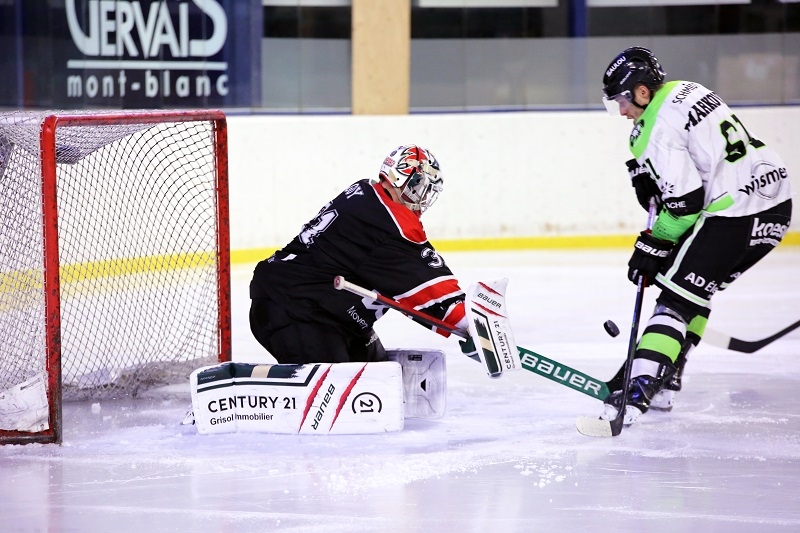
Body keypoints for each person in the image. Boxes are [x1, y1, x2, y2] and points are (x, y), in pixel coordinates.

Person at [600, 47, 793, 425]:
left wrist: (653, 244)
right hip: (776, 206)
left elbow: (685, 203)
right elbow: (701, 166)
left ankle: (639, 391)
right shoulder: (687, 89)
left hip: (735, 214)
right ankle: (666, 374)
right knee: (692, 286)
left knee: (674, 300)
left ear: (642, 92)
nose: (622, 112)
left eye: (623, 100)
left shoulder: (650, 129)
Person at [249, 144, 471, 364]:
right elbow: (427, 283)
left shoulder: (365, 193)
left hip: (326, 313)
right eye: (421, 186)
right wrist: (471, 322)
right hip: (296, 309)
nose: (423, 198)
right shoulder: (388, 221)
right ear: (404, 179)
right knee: (337, 389)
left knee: (377, 378)